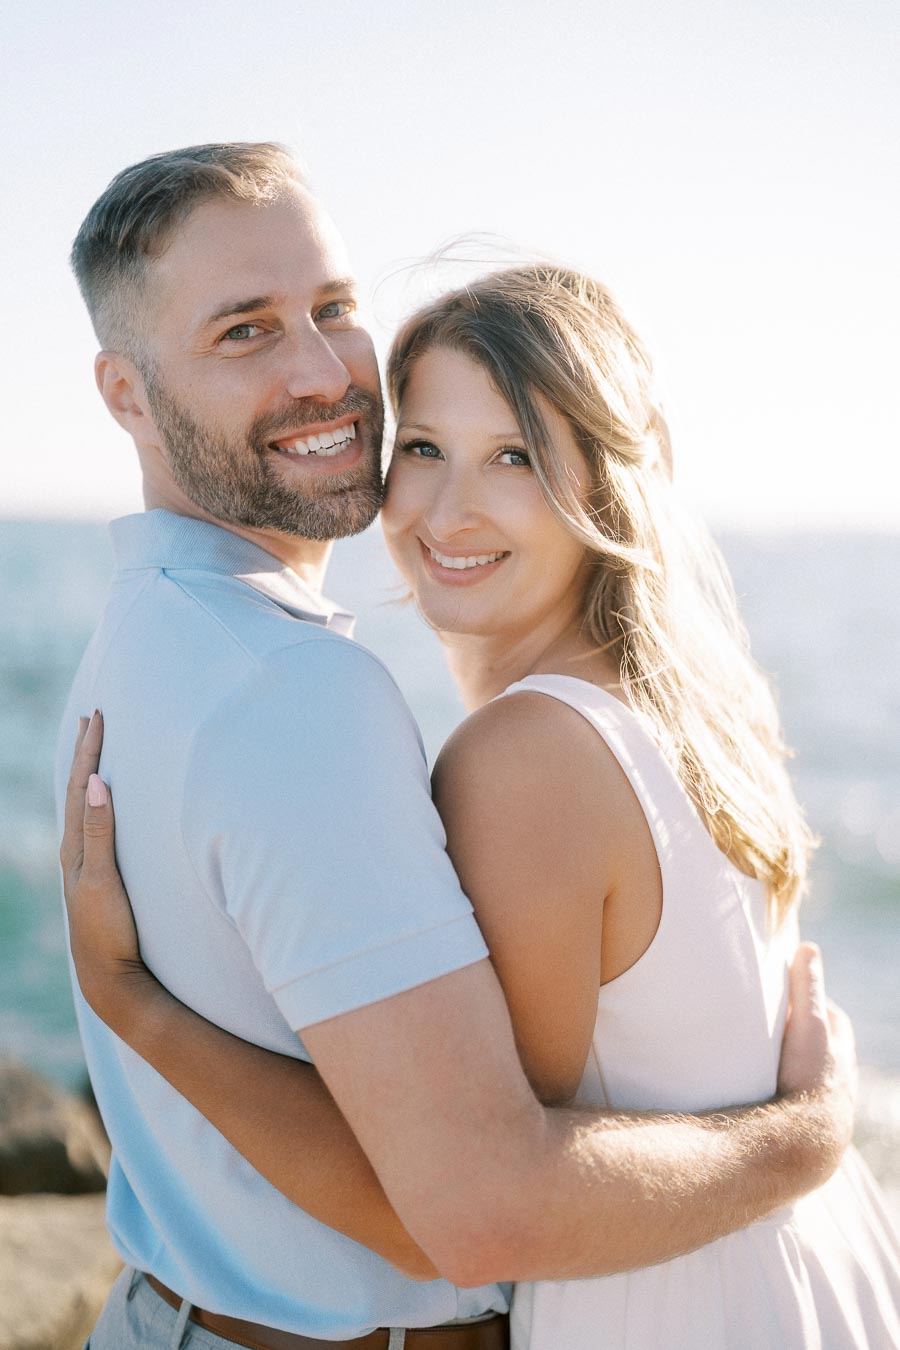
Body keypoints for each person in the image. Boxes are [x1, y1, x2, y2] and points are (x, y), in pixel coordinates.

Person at [57, 143, 860, 1350]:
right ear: (125, 393)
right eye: (245, 331)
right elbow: (477, 1200)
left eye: (333, 309)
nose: (324, 370)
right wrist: (803, 1140)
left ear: (605, 478)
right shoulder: (668, 702)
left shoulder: (164, 635)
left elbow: (465, 1209)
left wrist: (136, 1005)